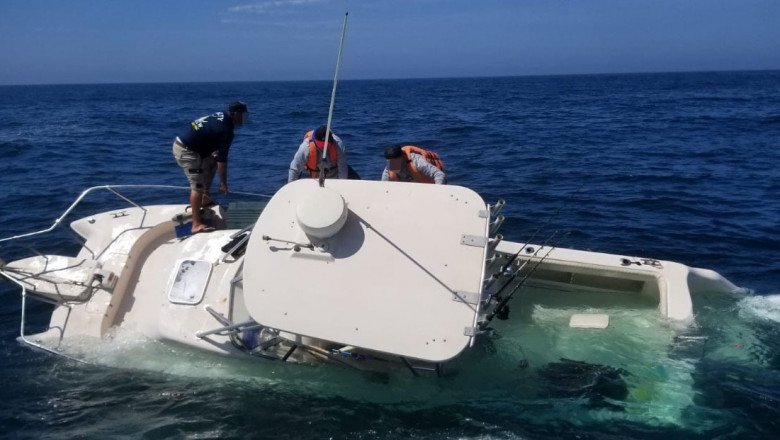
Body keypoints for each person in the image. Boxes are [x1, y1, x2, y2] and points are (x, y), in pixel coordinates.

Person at [172, 101, 247, 233]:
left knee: (212, 161)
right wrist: (223, 184)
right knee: (197, 186)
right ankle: (196, 224)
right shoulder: (226, 130)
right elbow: (222, 160)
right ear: (235, 114)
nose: (244, 118)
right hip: (186, 151)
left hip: (197, 149)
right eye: (243, 115)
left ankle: (204, 199)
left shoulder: (222, 116)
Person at [381, 145, 447, 184]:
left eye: (396, 160)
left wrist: (437, 191)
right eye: (391, 161)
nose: (394, 163)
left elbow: (439, 174)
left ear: (403, 155)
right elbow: (384, 185)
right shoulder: (391, 166)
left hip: (429, 187)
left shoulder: (417, 161)